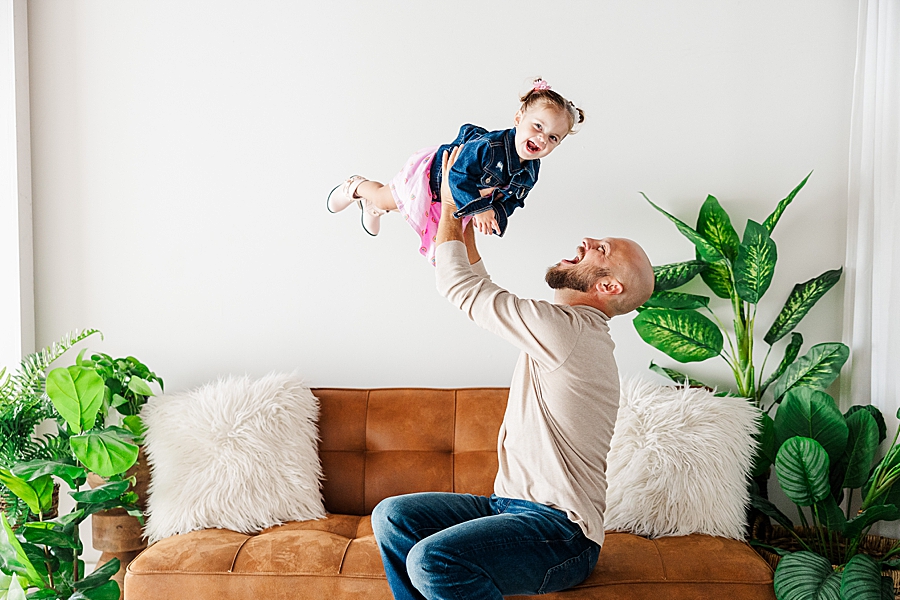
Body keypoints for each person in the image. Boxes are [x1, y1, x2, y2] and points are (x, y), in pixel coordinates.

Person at [370, 147, 656, 600]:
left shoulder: (568, 333)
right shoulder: (565, 330)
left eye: (599, 249)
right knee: (394, 516)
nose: (585, 242)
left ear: (607, 287)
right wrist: (462, 210)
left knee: (433, 560)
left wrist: (446, 195)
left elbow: (459, 287)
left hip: (561, 535)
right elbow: (481, 282)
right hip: (509, 509)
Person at [326, 79, 585, 265]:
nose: (541, 139)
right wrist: (480, 208)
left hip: (458, 198)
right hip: (434, 176)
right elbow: (458, 175)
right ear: (519, 118)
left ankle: (375, 209)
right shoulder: (489, 146)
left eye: (552, 138)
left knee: (419, 212)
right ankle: (357, 186)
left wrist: (496, 213)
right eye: (537, 126)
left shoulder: (530, 170)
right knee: (387, 196)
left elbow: (516, 198)